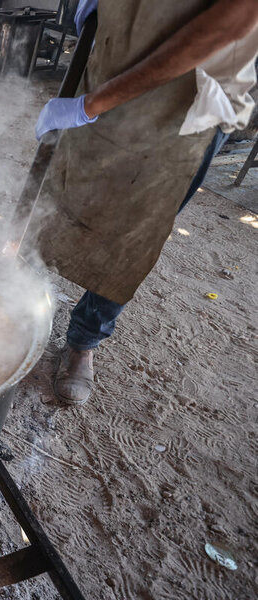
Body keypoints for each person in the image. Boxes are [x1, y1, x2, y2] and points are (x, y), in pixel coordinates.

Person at [33, 0, 258, 405]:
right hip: (111, 63)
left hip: (186, 100)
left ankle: (83, 342)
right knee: (60, 190)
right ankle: (14, 300)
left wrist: (89, 106)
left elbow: (229, 23)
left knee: (133, 231)